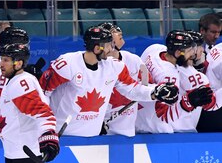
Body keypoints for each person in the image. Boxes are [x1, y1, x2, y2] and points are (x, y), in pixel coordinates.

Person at [39, 26, 179, 137]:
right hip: (64, 136)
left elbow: (132, 89)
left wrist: (155, 92)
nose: (111, 49)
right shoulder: (67, 64)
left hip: (93, 138)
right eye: (107, 45)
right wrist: (46, 129)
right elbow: (43, 93)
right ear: (96, 48)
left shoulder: (114, 66)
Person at [137, 30, 217, 134]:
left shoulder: (153, 49)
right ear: (178, 52)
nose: (193, 54)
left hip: (137, 116)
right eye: (189, 51)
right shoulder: (170, 76)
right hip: (158, 130)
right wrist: (188, 102)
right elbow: (163, 115)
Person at [99, 22, 149, 137]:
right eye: (116, 33)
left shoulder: (134, 60)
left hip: (128, 130)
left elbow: (146, 86)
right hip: (103, 130)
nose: (120, 36)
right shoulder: (98, 65)